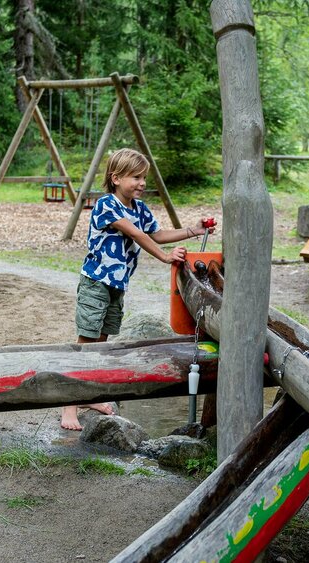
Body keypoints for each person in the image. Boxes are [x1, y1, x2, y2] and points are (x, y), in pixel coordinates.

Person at [61, 148, 216, 431]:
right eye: (136, 177)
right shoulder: (106, 205)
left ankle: (89, 396)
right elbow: (137, 234)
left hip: (117, 286)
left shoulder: (139, 209)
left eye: (144, 177)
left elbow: (157, 234)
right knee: (86, 341)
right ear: (116, 178)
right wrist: (165, 257)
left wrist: (192, 231)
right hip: (96, 282)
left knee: (102, 343)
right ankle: (68, 407)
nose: (142, 182)